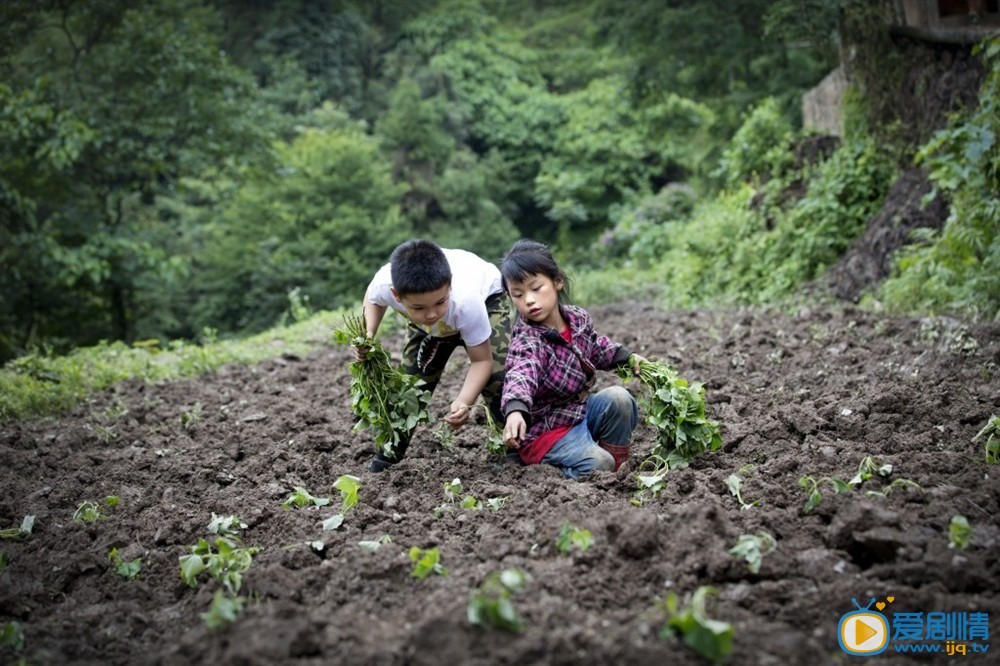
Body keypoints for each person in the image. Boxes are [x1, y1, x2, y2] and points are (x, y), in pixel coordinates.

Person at [355, 239, 511, 472]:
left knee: (498, 377)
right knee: (409, 386)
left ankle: (511, 447)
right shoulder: (384, 282)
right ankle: (389, 453)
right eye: (418, 308)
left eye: (439, 303)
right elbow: (373, 297)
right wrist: (368, 334)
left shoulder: (467, 300)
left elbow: (482, 360)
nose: (431, 314)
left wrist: (464, 401)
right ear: (396, 296)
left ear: (449, 286)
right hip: (435, 326)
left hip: (487, 302)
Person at [499, 239, 643, 480]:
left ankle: (618, 472)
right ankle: (561, 470)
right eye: (518, 294)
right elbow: (521, 372)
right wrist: (515, 411)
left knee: (619, 398)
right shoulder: (528, 339)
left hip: (578, 413)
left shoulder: (577, 319)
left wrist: (627, 358)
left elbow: (596, 348)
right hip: (546, 431)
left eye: (536, 288)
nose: (529, 300)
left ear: (557, 282)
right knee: (598, 465)